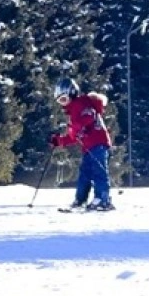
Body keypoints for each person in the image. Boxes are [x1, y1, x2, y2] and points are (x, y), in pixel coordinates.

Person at [49, 77, 114, 211]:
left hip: (98, 142)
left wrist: (80, 127)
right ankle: (80, 199)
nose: (63, 104)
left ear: (72, 93)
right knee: (85, 173)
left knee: (98, 170)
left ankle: (103, 199)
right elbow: (74, 136)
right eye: (60, 101)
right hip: (89, 146)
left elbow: (89, 116)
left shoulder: (81, 103)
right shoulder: (73, 111)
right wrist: (60, 141)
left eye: (64, 99)